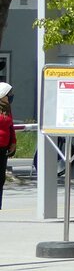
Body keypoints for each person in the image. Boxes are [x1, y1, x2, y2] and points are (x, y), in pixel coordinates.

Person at [0, 82, 15, 210]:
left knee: (1, 177)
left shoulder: (7, 108)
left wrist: (13, 143)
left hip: (4, 147)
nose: (11, 96)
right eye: (9, 94)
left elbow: (11, 128)